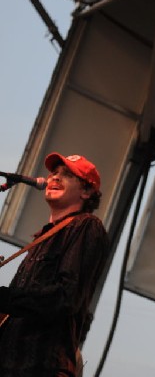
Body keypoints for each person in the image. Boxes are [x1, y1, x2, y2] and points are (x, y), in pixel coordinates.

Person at [0, 153, 110, 377]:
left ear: (86, 191)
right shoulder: (44, 236)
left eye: (68, 175)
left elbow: (65, 297)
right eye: (54, 173)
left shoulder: (87, 226)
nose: (56, 178)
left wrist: (4, 298)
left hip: (42, 367)